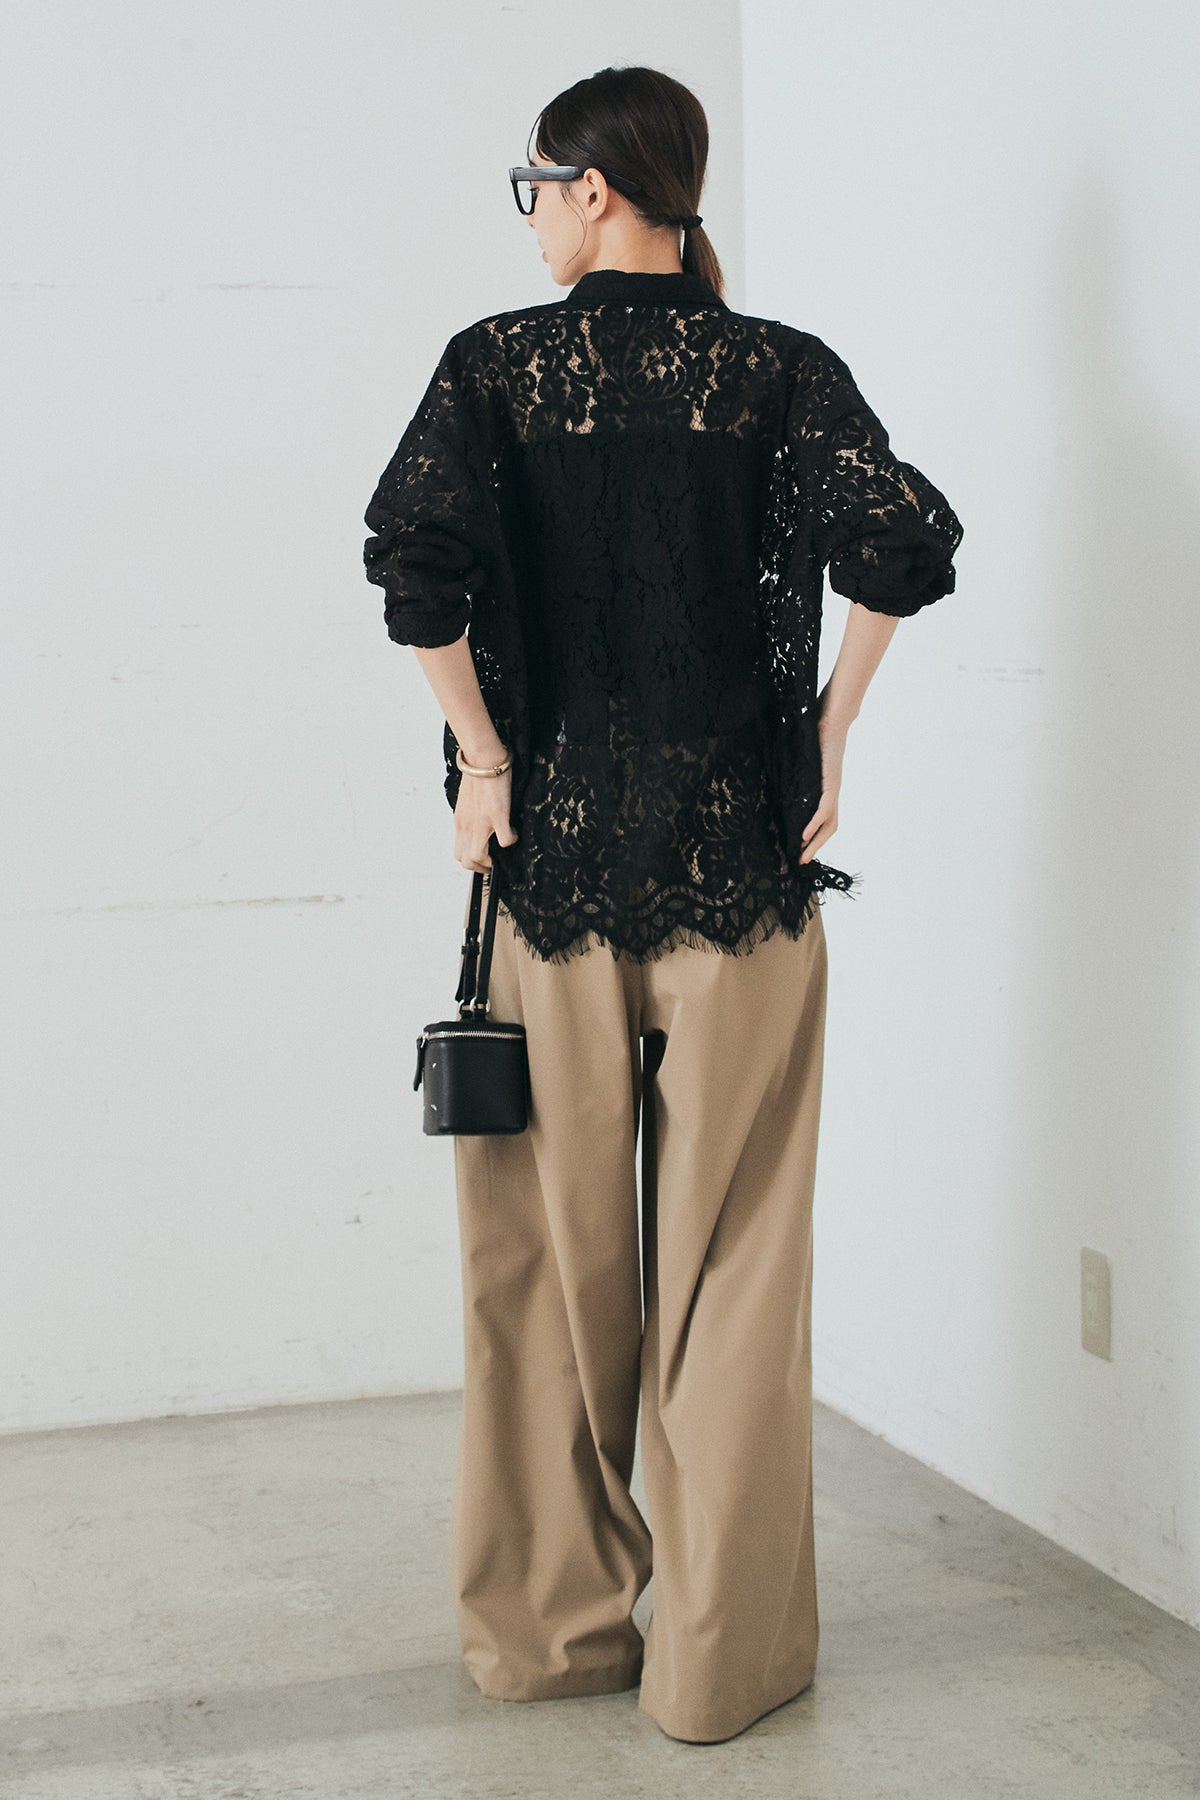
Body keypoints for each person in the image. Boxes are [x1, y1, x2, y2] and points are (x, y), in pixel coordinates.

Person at [362, 65, 963, 1744]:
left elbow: (416, 569)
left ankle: (551, 1636)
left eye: (536, 185)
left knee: (547, 1278)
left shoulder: (497, 367)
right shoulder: (781, 371)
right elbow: (901, 545)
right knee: (738, 1282)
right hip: (743, 885)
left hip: (552, 884)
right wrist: (829, 731)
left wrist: (484, 763)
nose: (532, 215)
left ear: (599, 188)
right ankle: (716, 1665)